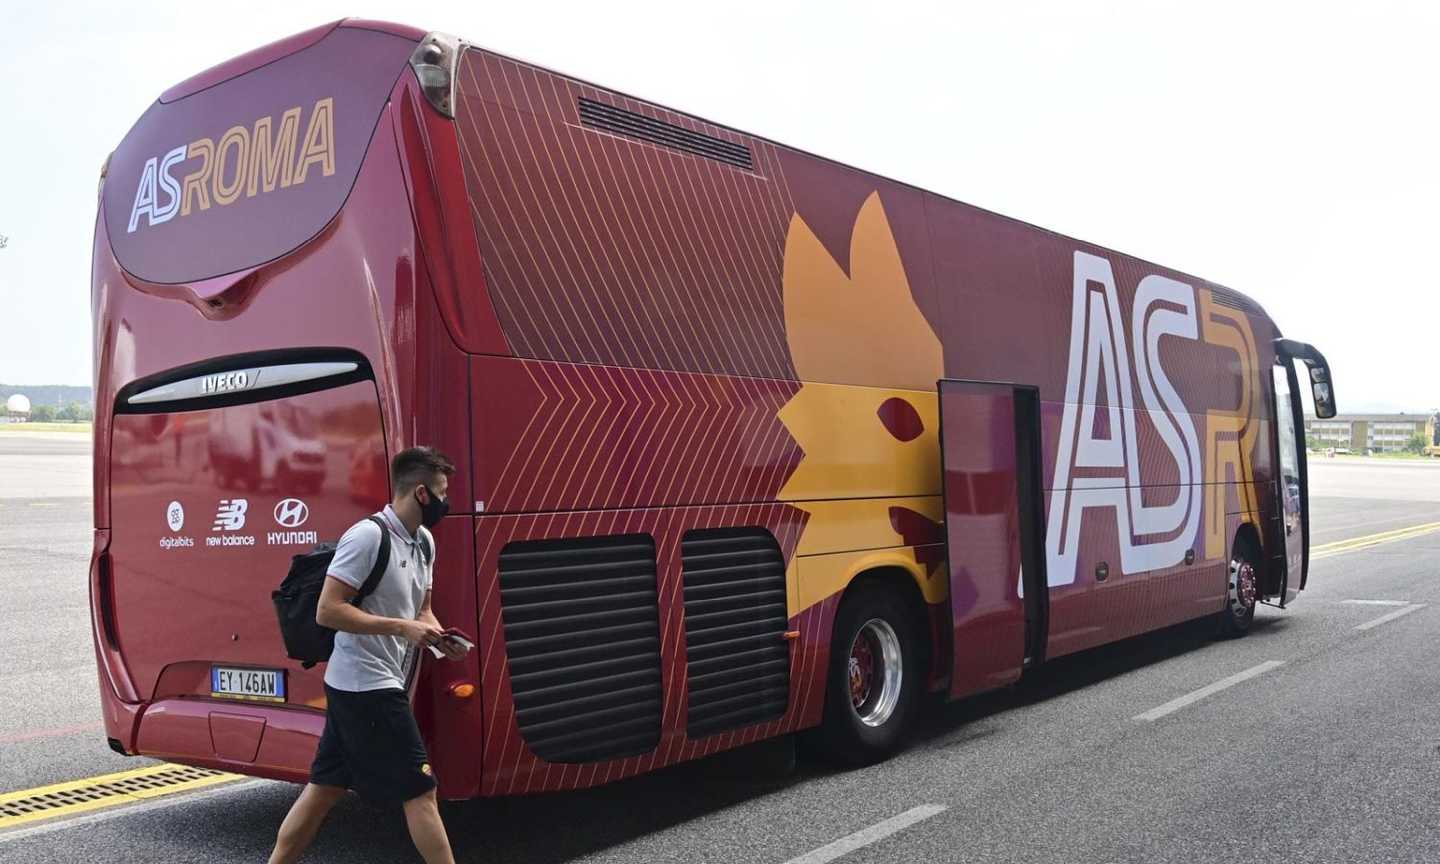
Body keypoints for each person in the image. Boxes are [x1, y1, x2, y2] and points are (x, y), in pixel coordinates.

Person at [269, 446, 468, 864]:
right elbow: (329, 609)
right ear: (421, 494)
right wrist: (401, 628)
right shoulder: (367, 537)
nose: (447, 502)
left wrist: (435, 635)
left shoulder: (424, 542)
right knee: (421, 790)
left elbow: (421, 608)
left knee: (325, 788)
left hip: (368, 682)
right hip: (366, 684)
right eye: (442, 492)